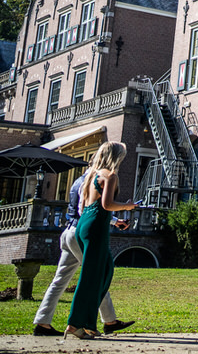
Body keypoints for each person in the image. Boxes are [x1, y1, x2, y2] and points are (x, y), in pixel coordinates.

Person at [33, 171, 135, 337]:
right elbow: (88, 211)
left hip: (67, 231)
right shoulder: (92, 181)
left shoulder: (78, 182)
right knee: (96, 276)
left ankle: (42, 322)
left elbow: (87, 208)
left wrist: (115, 221)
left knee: (60, 280)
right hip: (78, 234)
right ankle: (105, 321)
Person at [65, 142, 137, 340]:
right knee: (91, 277)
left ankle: (88, 323)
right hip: (96, 227)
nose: (123, 159)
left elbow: (90, 205)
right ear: (116, 157)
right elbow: (107, 204)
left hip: (85, 225)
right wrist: (127, 206)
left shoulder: (92, 175)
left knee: (104, 271)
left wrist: (115, 221)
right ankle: (74, 324)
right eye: (122, 156)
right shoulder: (110, 176)